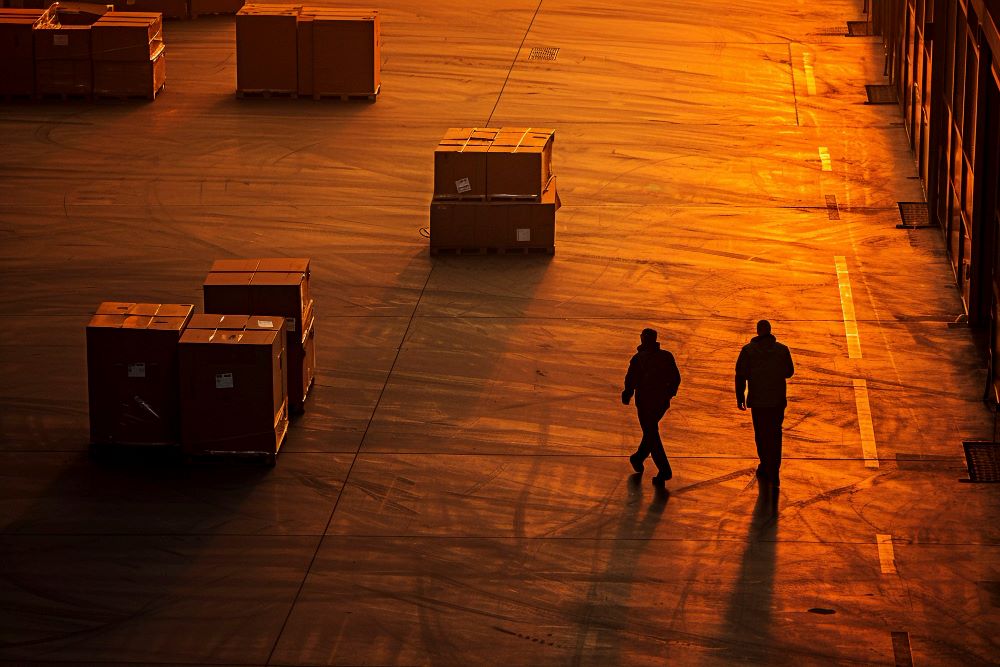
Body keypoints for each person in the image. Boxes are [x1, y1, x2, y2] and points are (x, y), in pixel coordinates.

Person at [735, 320, 794, 488]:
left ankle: (765, 464)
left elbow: (740, 375)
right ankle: (774, 469)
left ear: (757, 331)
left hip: (759, 400)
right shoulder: (782, 350)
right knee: (775, 434)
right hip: (777, 400)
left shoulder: (748, 351)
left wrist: (740, 396)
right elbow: (789, 372)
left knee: (761, 434)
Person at [622, 328, 681, 487]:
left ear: (643, 339)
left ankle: (664, 470)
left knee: (651, 434)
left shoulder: (639, 358)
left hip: (645, 402)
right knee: (651, 432)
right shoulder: (666, 356)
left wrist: (627, 394)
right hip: (661, 402)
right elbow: (675, 377)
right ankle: (639, 458)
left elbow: (631, 378)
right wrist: (669, 393)